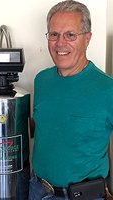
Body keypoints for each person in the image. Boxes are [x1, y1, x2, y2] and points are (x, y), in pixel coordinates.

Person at [29, 0, 113, 200]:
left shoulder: (108, 89)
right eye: (54, 34)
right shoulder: (41, 80)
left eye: (70, 35)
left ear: (87, 38)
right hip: (37, 190)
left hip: (82, 196)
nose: (60, 43)